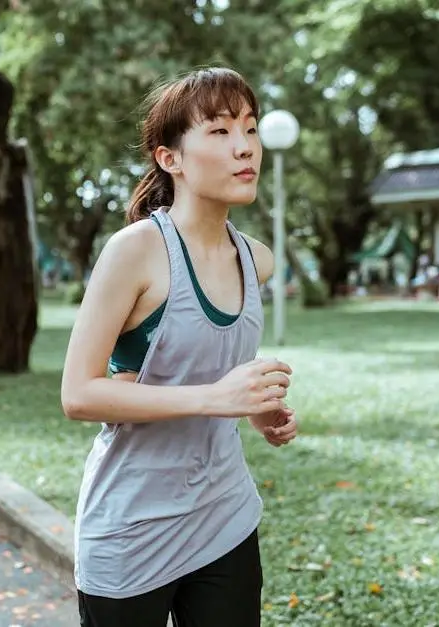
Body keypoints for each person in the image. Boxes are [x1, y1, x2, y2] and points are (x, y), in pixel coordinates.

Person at [59, 67, 299, 627]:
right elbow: (79, 394)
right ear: (171, 159)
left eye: (250, 127)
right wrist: (215, 397)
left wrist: (258, 409)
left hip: (224, 517)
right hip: (131, 527)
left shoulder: (255, 259)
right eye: (218, 132)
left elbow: (212, 371)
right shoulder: (135, 252)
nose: (244, 148)